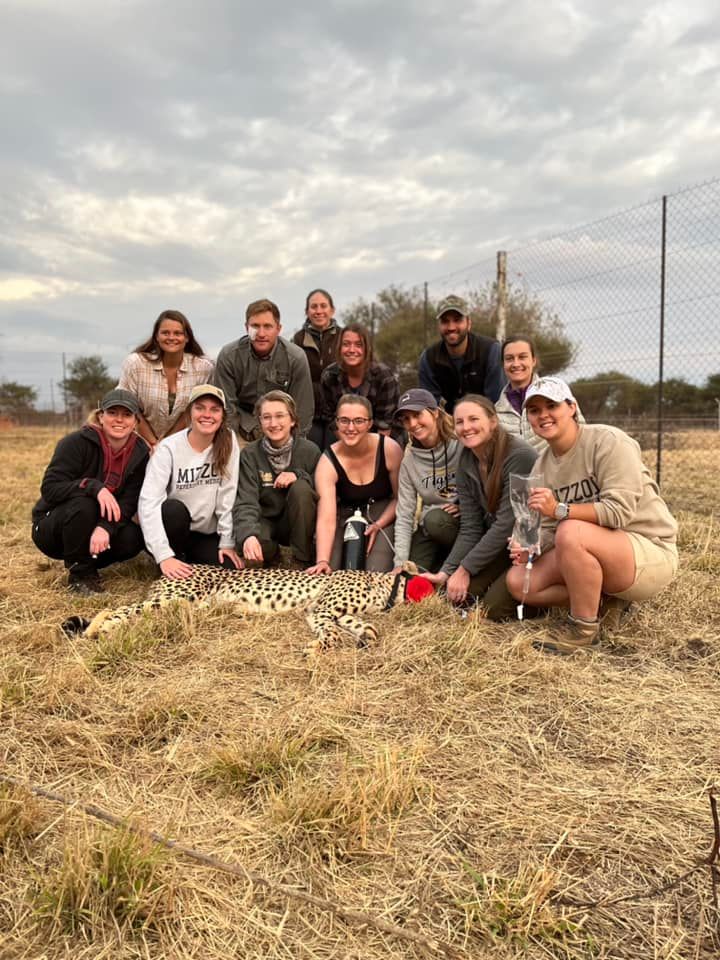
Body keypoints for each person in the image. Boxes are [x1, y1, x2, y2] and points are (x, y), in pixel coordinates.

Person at [507, 376, 679, 654]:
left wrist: (560, 510)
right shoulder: (542, 465)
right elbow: (549, 528)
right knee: (520, 582)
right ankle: (603, 602)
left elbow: (618, 513)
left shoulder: (608, 441)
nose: (543, 415)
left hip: (649, 550)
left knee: (571, 531)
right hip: (595, 546)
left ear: (572, 407)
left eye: (552, 405)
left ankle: (584, 631)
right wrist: (531, 546)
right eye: (535, 410)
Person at [422, 394, 537, 618]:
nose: (466, 427)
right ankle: (496, 575)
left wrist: (465, 569)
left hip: (528, 545)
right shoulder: (467, 459)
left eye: (474, 419)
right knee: (453, 597)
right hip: (499, 545)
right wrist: (446, 573)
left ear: (493, 421)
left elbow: (507, 524)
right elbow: (471, 526)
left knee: (490, 609)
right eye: (460, 422)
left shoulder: (519, 455)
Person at [32, 389, 149, 595]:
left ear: (135, 421)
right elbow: (50, 489)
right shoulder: (76, 442)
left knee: (133, 538)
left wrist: (105, 527)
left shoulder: (140, 452)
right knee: (84, 503)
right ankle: (80, 575)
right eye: (112, 413)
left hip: (97, 525)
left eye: (127, 414)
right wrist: (93, 487)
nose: (119, 420)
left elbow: (129, 501)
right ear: (101, 416)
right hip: (54, 527)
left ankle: (89, 562)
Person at [138, 385, 242, 580]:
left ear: (222, 416)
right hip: (173, 529)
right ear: (189, 413)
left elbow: (227, 494)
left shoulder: (228, 441)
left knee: (229, 572)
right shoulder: (168, 448)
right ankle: (171, 559)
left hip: (204, 533)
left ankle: (187, 559)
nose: (207, 415)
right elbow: (148, 502)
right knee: (172, 509)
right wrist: (163, 555)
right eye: (200, 407)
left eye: (215, 409)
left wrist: (227, 541)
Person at [308, 396, 403, 574]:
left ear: (370, 423)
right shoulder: (327, 461)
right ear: (336, 422)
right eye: (344, 420)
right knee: (333, 571)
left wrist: (379, 524)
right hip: (344, 515)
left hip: (383, 513)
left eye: (358, 421)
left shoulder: (389, 449)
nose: (351, 428)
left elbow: (401, 499)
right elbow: (326, 518)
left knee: (375, 573)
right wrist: (322, 560)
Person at [233, 390, 321, 569]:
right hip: (266, 521)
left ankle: (301, 559)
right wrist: (248, 535)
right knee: (253, 546)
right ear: (259, 421)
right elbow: (246, 501)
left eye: (280, 416)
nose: (273, 423)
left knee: (301, 489)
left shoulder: (310, 451)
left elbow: (323, 488)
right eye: (266, 417)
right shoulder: (250, 454)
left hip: (298, 523)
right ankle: (276, 555)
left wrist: (299, 475)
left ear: (293, 420)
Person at [212, 299, 314, 442]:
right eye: (255, 326)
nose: (261, 333)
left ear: (278, 329)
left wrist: (295, 445)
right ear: (246, 327)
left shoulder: (296, 358)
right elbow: (226, 407)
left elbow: (302, 409)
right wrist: (231, 443)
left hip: (281, 428)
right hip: (241, 428)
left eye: (267, 326)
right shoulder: (229, 356)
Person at [118, 309, 214, 451]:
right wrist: (151, 443)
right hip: (137, 442)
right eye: (165, 333)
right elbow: (128, 404)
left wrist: (166, 444)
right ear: (156, 336)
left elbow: (193, 410)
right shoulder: (135, 363)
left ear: (187, 338)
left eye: (178, 333)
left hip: (182, 443)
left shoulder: (203, 368)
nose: (171, 337)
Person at [391, 389, 462, 573]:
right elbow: (405, 514)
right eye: (406, 419)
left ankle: (454, 566)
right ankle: (439, 563)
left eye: (417, 415)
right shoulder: (409, 461)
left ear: (435, 412)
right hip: (431, 528)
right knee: (411, 577)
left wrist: (464, 506)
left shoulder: (461, 442)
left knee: (434, 519)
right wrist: (399, 563)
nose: (412, 424)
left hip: (465, 522)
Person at [495, 335, 584, 450]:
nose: (516, 364)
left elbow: (582, 437)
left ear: (533, 361)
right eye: (509, 358)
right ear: (503, 364)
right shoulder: (496, 412)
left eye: (522, 357)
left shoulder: (560, 394)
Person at [418, 295, 504, 412]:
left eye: (457, 320)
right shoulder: (428, 358)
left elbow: (496, 403)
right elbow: (431, 408)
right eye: (445, 321)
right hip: (449, 423)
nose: (451, 327)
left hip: (486, 420)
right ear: (439, 325)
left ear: (469, 323)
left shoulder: (491, 351)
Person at [319, 323, 401, 442]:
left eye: (358, 345)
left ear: (367, 348)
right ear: (339, 348)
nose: (352, 350)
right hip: (344, 437)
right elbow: (331, 419)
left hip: (382, 440)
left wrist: (366, 455)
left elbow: (384, 425)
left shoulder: (384, 377)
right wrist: (350, 445)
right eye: (346, 344)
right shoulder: (329, 376)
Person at [292, 289, 343, 448]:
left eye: (323, 306)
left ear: (332, 310)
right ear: (307, 311)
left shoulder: (343, 337)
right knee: (311, 456)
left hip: (337, 413)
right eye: (314, 307)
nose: (319, 311)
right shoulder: (298, 339)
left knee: (334, 456)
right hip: (308, 414)